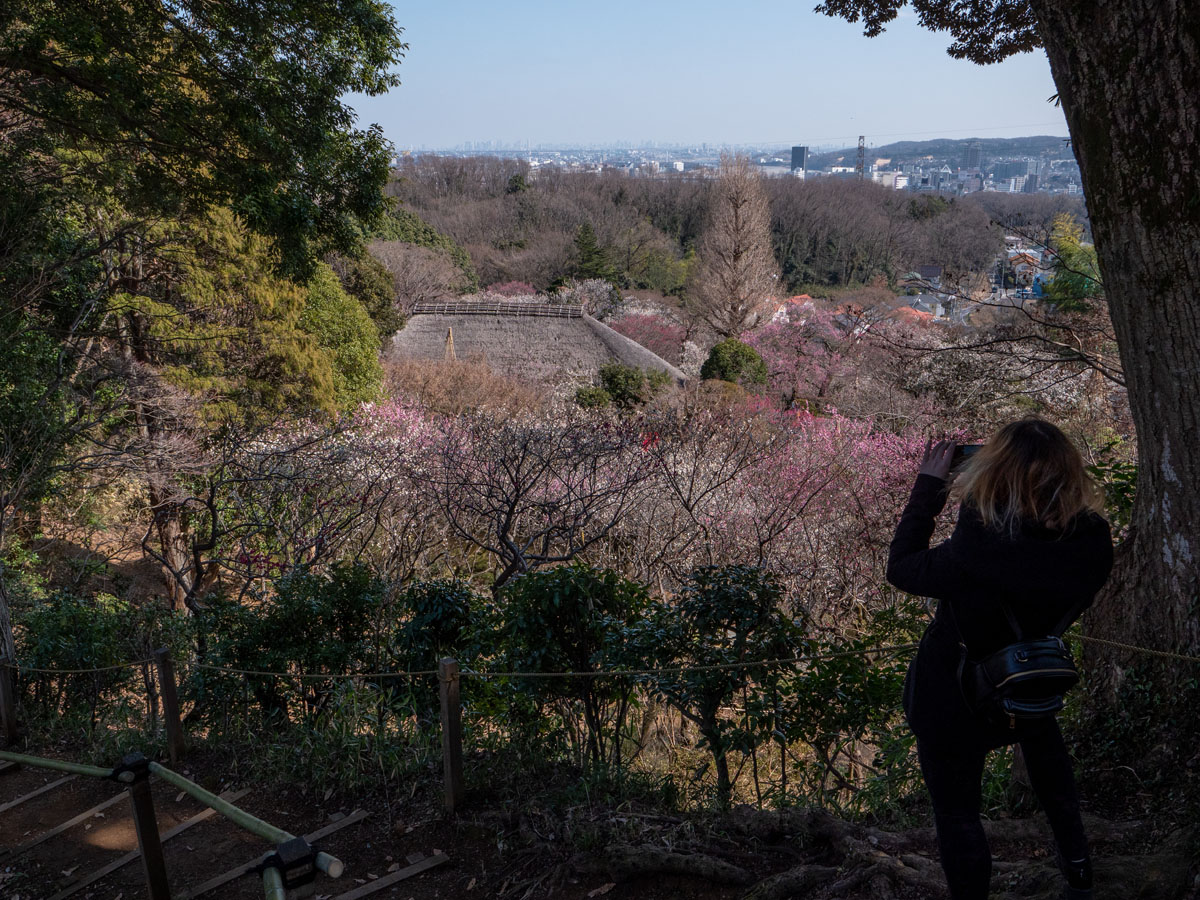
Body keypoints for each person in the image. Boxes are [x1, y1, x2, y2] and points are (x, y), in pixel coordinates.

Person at [888, 418, 1114, 900]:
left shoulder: (974, 551)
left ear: (994, 472)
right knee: (1052, 774)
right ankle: (1078, 871)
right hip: (1031, 683)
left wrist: (930, 488)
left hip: (954, 695)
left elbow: (902, 566)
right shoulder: (1092, 544)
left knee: (958, 814)